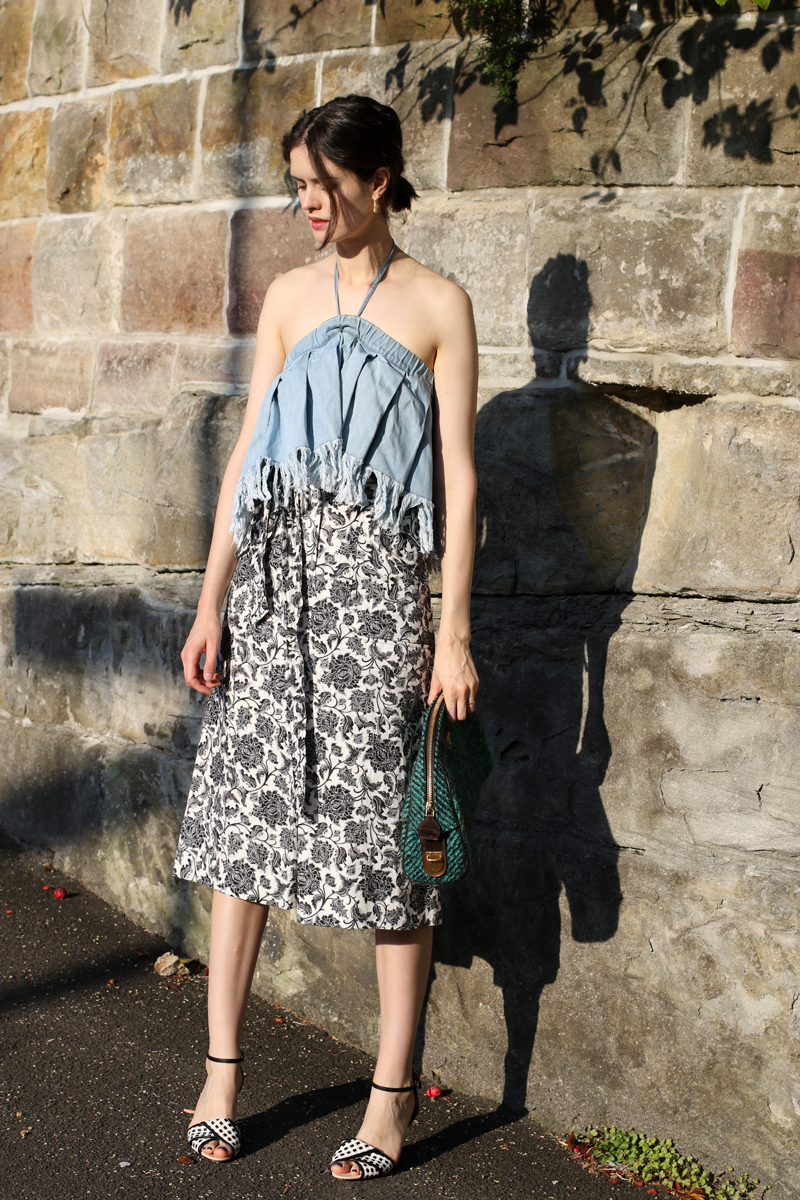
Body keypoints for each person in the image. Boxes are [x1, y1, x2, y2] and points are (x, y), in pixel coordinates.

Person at [173, 93, 479, 1180]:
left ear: (383, 175)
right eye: (299, 185)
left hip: (381, 605)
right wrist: (212, 602)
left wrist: (451, 632)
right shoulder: (290, 296)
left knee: (395, 856)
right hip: (274, 598)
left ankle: (390, 1099)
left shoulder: (440, 303)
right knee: (242, 840)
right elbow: (250, 457)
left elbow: (458, 477)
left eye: (326, 185)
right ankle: (220, 1076)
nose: (310, 204)